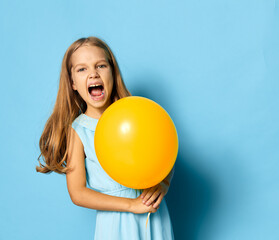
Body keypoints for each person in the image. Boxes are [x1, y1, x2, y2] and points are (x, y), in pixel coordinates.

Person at [36, 36, 175, 240]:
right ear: (72, 83)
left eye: (100, 65)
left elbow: (165, 152)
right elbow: (78, 193)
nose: (93, 73)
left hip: (153, 215)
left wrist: (164, 184)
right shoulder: (79, 130)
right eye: (82, 69)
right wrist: (131, 205)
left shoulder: (136, 115)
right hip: (116, 222)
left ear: (112, 72)